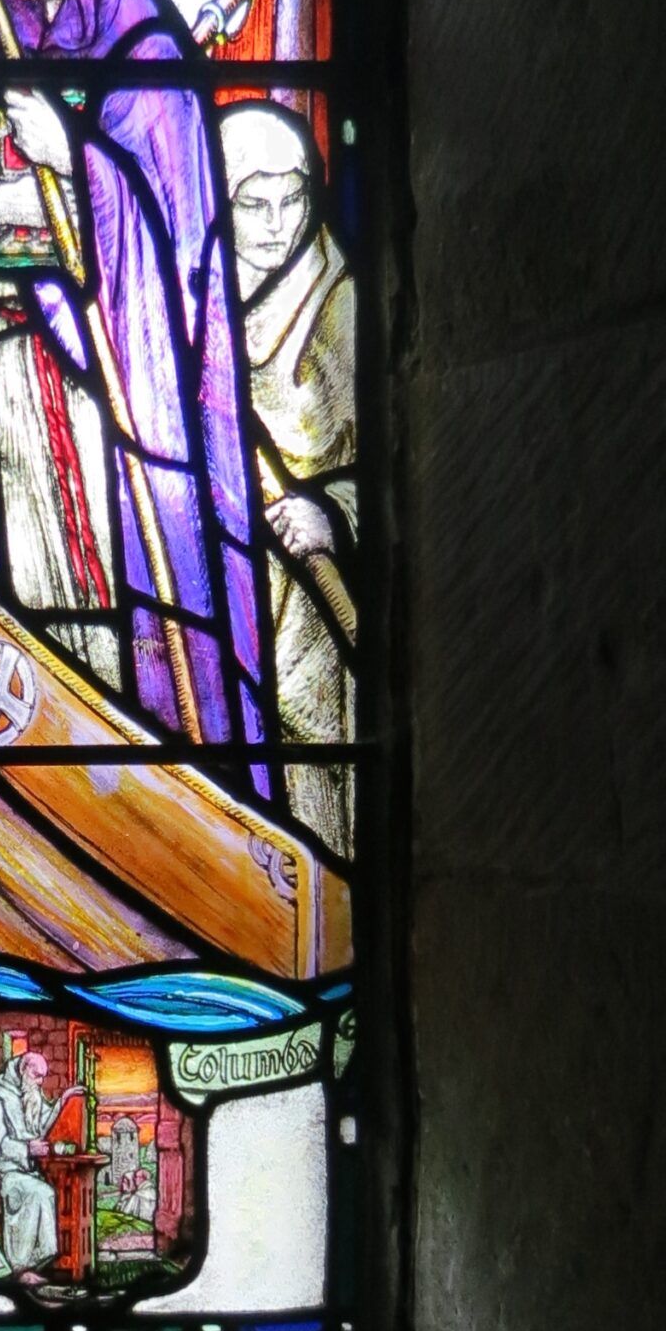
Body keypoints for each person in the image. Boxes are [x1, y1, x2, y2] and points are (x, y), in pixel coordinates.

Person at [0, 0, 270, 757]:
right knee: (32, 584)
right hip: (9, 375)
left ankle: (147, 753)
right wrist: (11, 200)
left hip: (107, 400)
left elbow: (172, 247)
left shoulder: (147, 59)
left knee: (114, 601)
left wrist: (69, 161)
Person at [220, 103, 356, 857]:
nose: (277, 222)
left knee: (308, 747)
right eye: (253, 202)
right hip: (225, 573)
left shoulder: (339, 301)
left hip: (309, 592)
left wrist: (332, 515)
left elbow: (378, 468)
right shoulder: (197, 290)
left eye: (294, 198)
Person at [0, 1049, 60, 1277]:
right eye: (37, 1076)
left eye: (43, 1076)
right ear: (24, 1069)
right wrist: (27, 1149)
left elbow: (45, 1120)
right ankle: (21, 1266)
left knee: (45, 1192)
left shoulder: (30, 1092)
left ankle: (38, 1261)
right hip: (6, 1172)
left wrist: (65, 1101)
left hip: (28, 1172)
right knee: (38, 1193)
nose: (40, 1082)